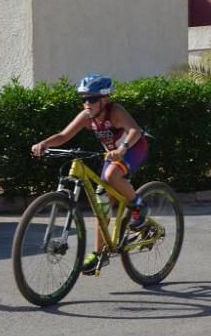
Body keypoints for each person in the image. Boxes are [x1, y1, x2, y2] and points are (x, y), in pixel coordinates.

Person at [31, 74, 149, 274]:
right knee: (101, 199)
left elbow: (134, 131)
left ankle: (138, 205)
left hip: (133, 149)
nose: (87, 103)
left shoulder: (116, 112)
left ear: (105, 99)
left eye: (92, 99)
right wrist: (44, 143)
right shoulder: (87, 116)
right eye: (84, 99)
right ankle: (99, 253)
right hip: (113, 155)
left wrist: (122, 149)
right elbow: (63, 136)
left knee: (110, 176)